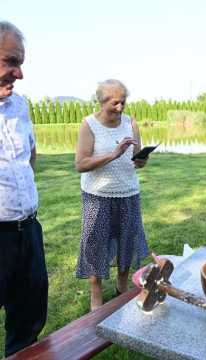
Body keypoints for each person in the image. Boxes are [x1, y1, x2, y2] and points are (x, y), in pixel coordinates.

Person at [75, 79, 149, 311]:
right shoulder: (89, 124)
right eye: (115, 103)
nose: (120, 108)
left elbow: (138, 160)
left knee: (127, 241)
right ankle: (96, 294)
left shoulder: (131, 123)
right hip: (98, 196)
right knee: (95, 244)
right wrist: (114, 154)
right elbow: (81, 164)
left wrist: (142, 159)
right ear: (101, 101)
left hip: (128, 193)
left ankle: (121, 286)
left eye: (123, 102)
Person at [0, 21, 48, 356]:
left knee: (29, 320)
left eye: (21, 64)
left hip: (27, 230)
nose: (19, 74)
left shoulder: (21, 105)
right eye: (11, 62)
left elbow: (30, 152)